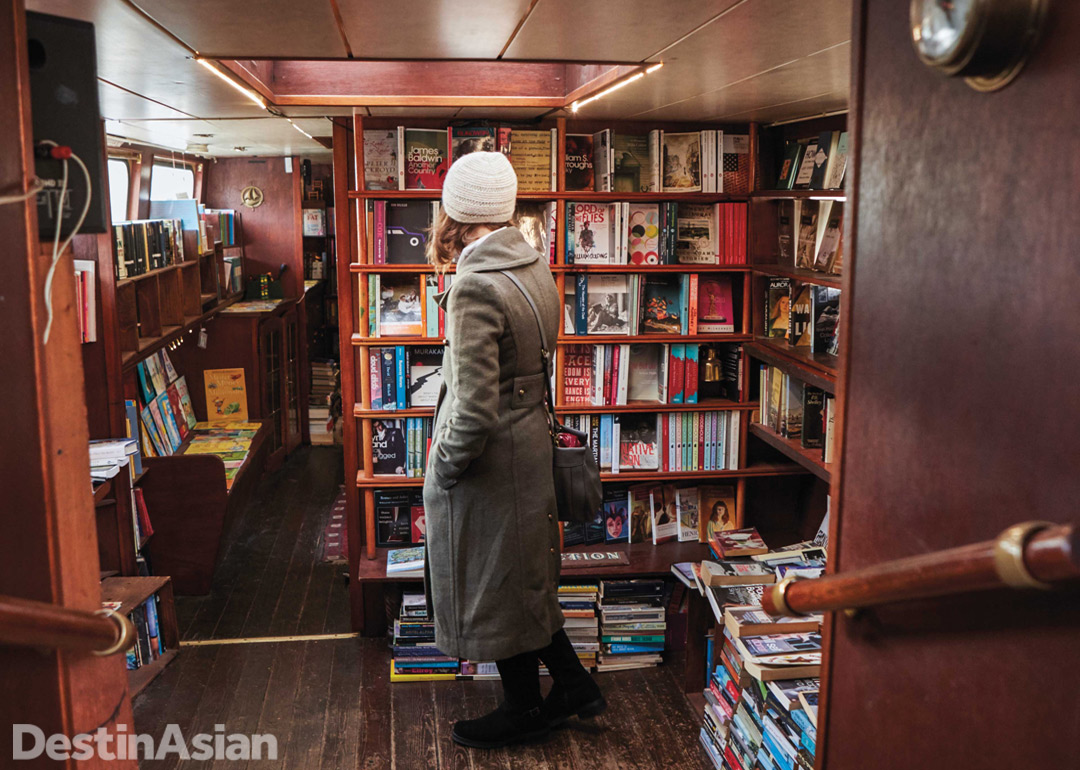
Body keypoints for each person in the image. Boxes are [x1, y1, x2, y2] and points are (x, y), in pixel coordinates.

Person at [422, 152, 605, 749]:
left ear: (456, 214)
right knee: (521, 581)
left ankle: (525, 707)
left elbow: (472, 409)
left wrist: (444, 467)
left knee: (494, 583)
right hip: (527, 447)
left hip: (490, 463)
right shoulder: (533, 266)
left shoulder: (474, 287)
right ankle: (570, 686)